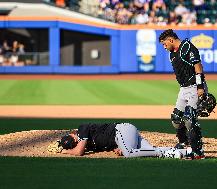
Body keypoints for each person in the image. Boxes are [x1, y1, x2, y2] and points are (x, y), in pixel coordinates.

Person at [159, 29, 207, 159]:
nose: (164, 47)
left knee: (189, 118)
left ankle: (198, 151)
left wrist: (200, 86)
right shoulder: (172, 53)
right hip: (183, 89)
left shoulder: (187, 47)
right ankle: (183, 142)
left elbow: (198, 66)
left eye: (164, 44)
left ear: (171, 40)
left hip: (194, 87)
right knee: (176, 118)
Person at [59, 122, 194, 159]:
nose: (77, 141)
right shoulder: (91, 145)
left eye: (74, 140)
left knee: (129, 153)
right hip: (124, 135)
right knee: (149, 149)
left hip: (122, 130)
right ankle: (185, 152)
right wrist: (116, 148)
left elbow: (79, 152)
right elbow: (104, 141)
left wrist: (65, 152)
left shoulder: (82, 129)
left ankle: (163, 153)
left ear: (73, 134)